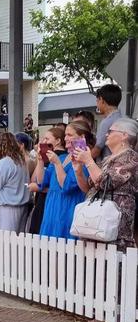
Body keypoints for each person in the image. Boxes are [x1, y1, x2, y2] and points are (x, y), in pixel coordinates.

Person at [73, 116, 138, 250]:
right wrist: (78, 171)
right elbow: (88, 187)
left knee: (112, 265)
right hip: (95, 223)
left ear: (124, 135)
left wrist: (89, 161)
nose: (106, 134)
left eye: (110, 131)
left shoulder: (132, 158)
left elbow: (106, 183)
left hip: (114, 224)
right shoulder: (107, 159)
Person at [34, 122, 90, 240]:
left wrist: (57, 164)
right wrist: (40, 160)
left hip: (68, 208)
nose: (65, 138)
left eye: (69, 135)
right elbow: (41, 182)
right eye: (65, 135)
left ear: (82, 137)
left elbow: (66, 186)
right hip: (51, 208)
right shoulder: (61, 157)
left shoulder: (83, 160)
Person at [0, 133, 30, 232]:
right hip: (23, 206)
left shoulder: (4, 163)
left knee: (5, 242)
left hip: (7, 208)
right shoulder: (21, 161)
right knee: (18, 241)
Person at [91, 83, 122, 161]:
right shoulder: (122, 118)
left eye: (97, 101)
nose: (97, 104)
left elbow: (97, 150)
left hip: (107, 164)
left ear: (101, 100)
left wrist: (84, 159)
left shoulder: (107, 122)